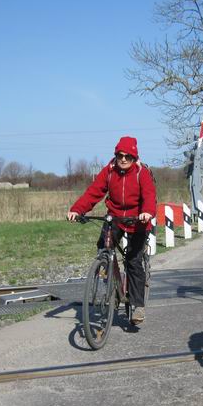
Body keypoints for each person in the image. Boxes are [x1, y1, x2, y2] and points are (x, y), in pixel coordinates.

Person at [67, 136, 156, 325]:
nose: (123, 159)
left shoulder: (142, 173)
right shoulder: (109, 171)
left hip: (138, 219)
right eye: (120, 155)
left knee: (133, 260)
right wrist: (77, 209)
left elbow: (149, 195)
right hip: (115, 216)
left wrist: (147, 212)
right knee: (103, 247)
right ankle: (110, 279)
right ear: (115, 156)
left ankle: (137, 305)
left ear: (134, 157)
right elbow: (94, 192)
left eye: (128, 157)